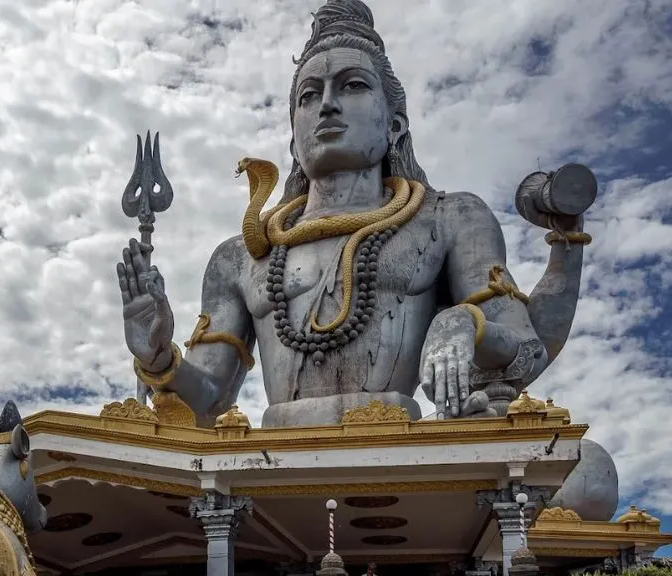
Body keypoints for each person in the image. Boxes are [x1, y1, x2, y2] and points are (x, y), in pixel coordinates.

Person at [116, 0, 549, 429]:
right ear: (293, 139)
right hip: (272, 468)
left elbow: (528, 348)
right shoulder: (242, 257)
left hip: (400, 460)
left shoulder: (447, 219)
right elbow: (209, 399)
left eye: (352, 85)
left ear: (394, 125)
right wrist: (157, 357)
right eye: (309, 95)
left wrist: (464, 324)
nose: (326, 105)